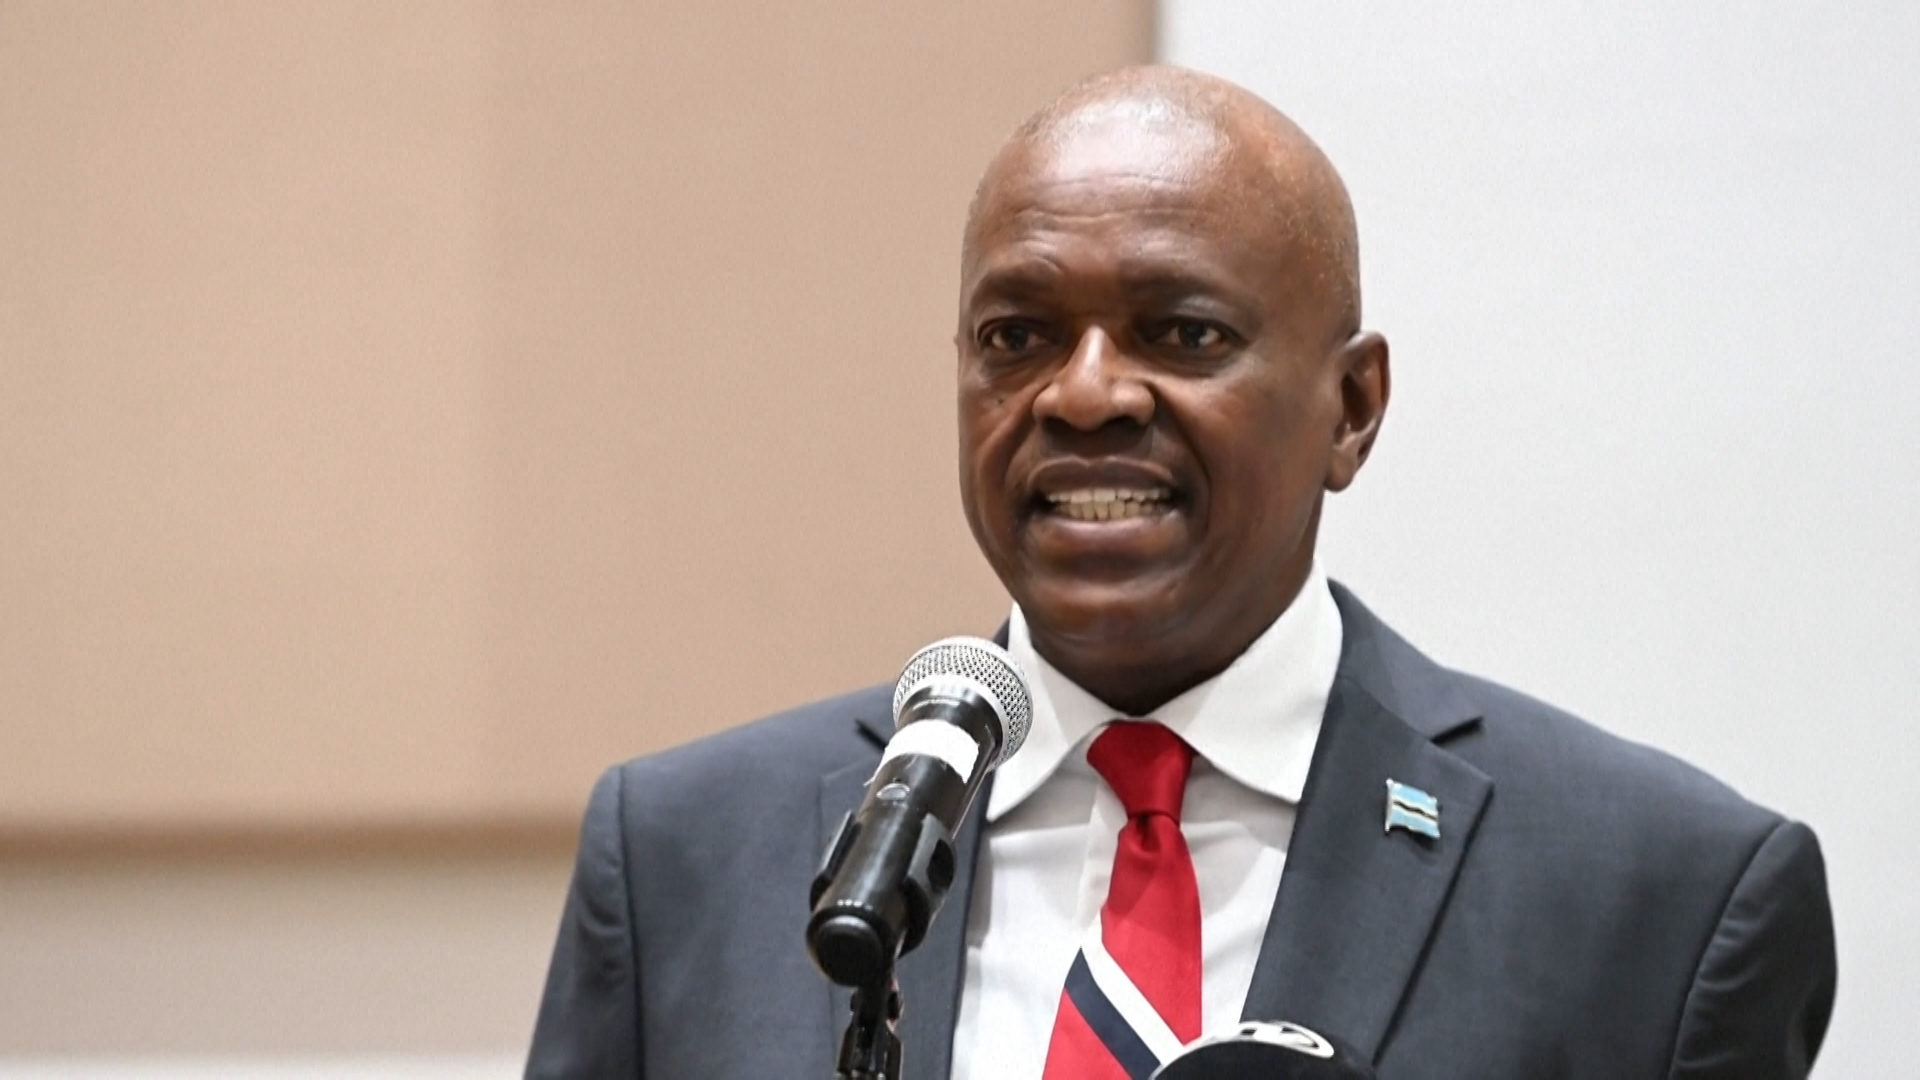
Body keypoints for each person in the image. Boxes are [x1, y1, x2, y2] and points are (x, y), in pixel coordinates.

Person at [525, 66, 1836, 1079]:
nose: (1084, 393)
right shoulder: (691, 860)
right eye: (1018, 336)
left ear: (1352, 409)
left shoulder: (1662, 899)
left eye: (1183, 333)